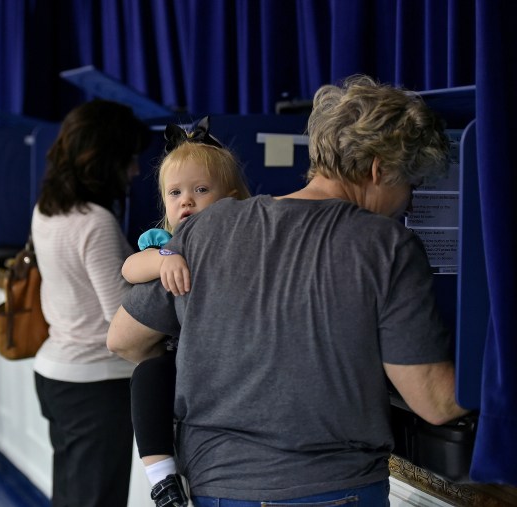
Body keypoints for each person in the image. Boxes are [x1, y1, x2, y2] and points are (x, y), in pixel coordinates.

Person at [107, 75, 469, 505]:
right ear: (380, 169)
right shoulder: (385, 245)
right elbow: (435, 402)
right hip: (335, 489)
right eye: (410, 184)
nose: (408, 201)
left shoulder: (208, 227)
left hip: (215, 487)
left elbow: (123, 339)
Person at [120, 118, 251, 507]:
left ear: (231, 197)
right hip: (183, 359)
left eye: (200, 190)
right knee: (149, 372)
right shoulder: (165, 242)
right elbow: (129, 267)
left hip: (232, 361)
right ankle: (161, 478)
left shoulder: (248, 238)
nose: (186, 201)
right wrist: (164, 260)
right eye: (174, 193)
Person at [31, 99, 151, 507]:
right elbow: (121, 319)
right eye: (129, 158)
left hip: (56, 374)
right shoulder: (94, 222)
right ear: (103, 159)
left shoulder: (47, 210)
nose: (134, 170)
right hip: (94, 386)